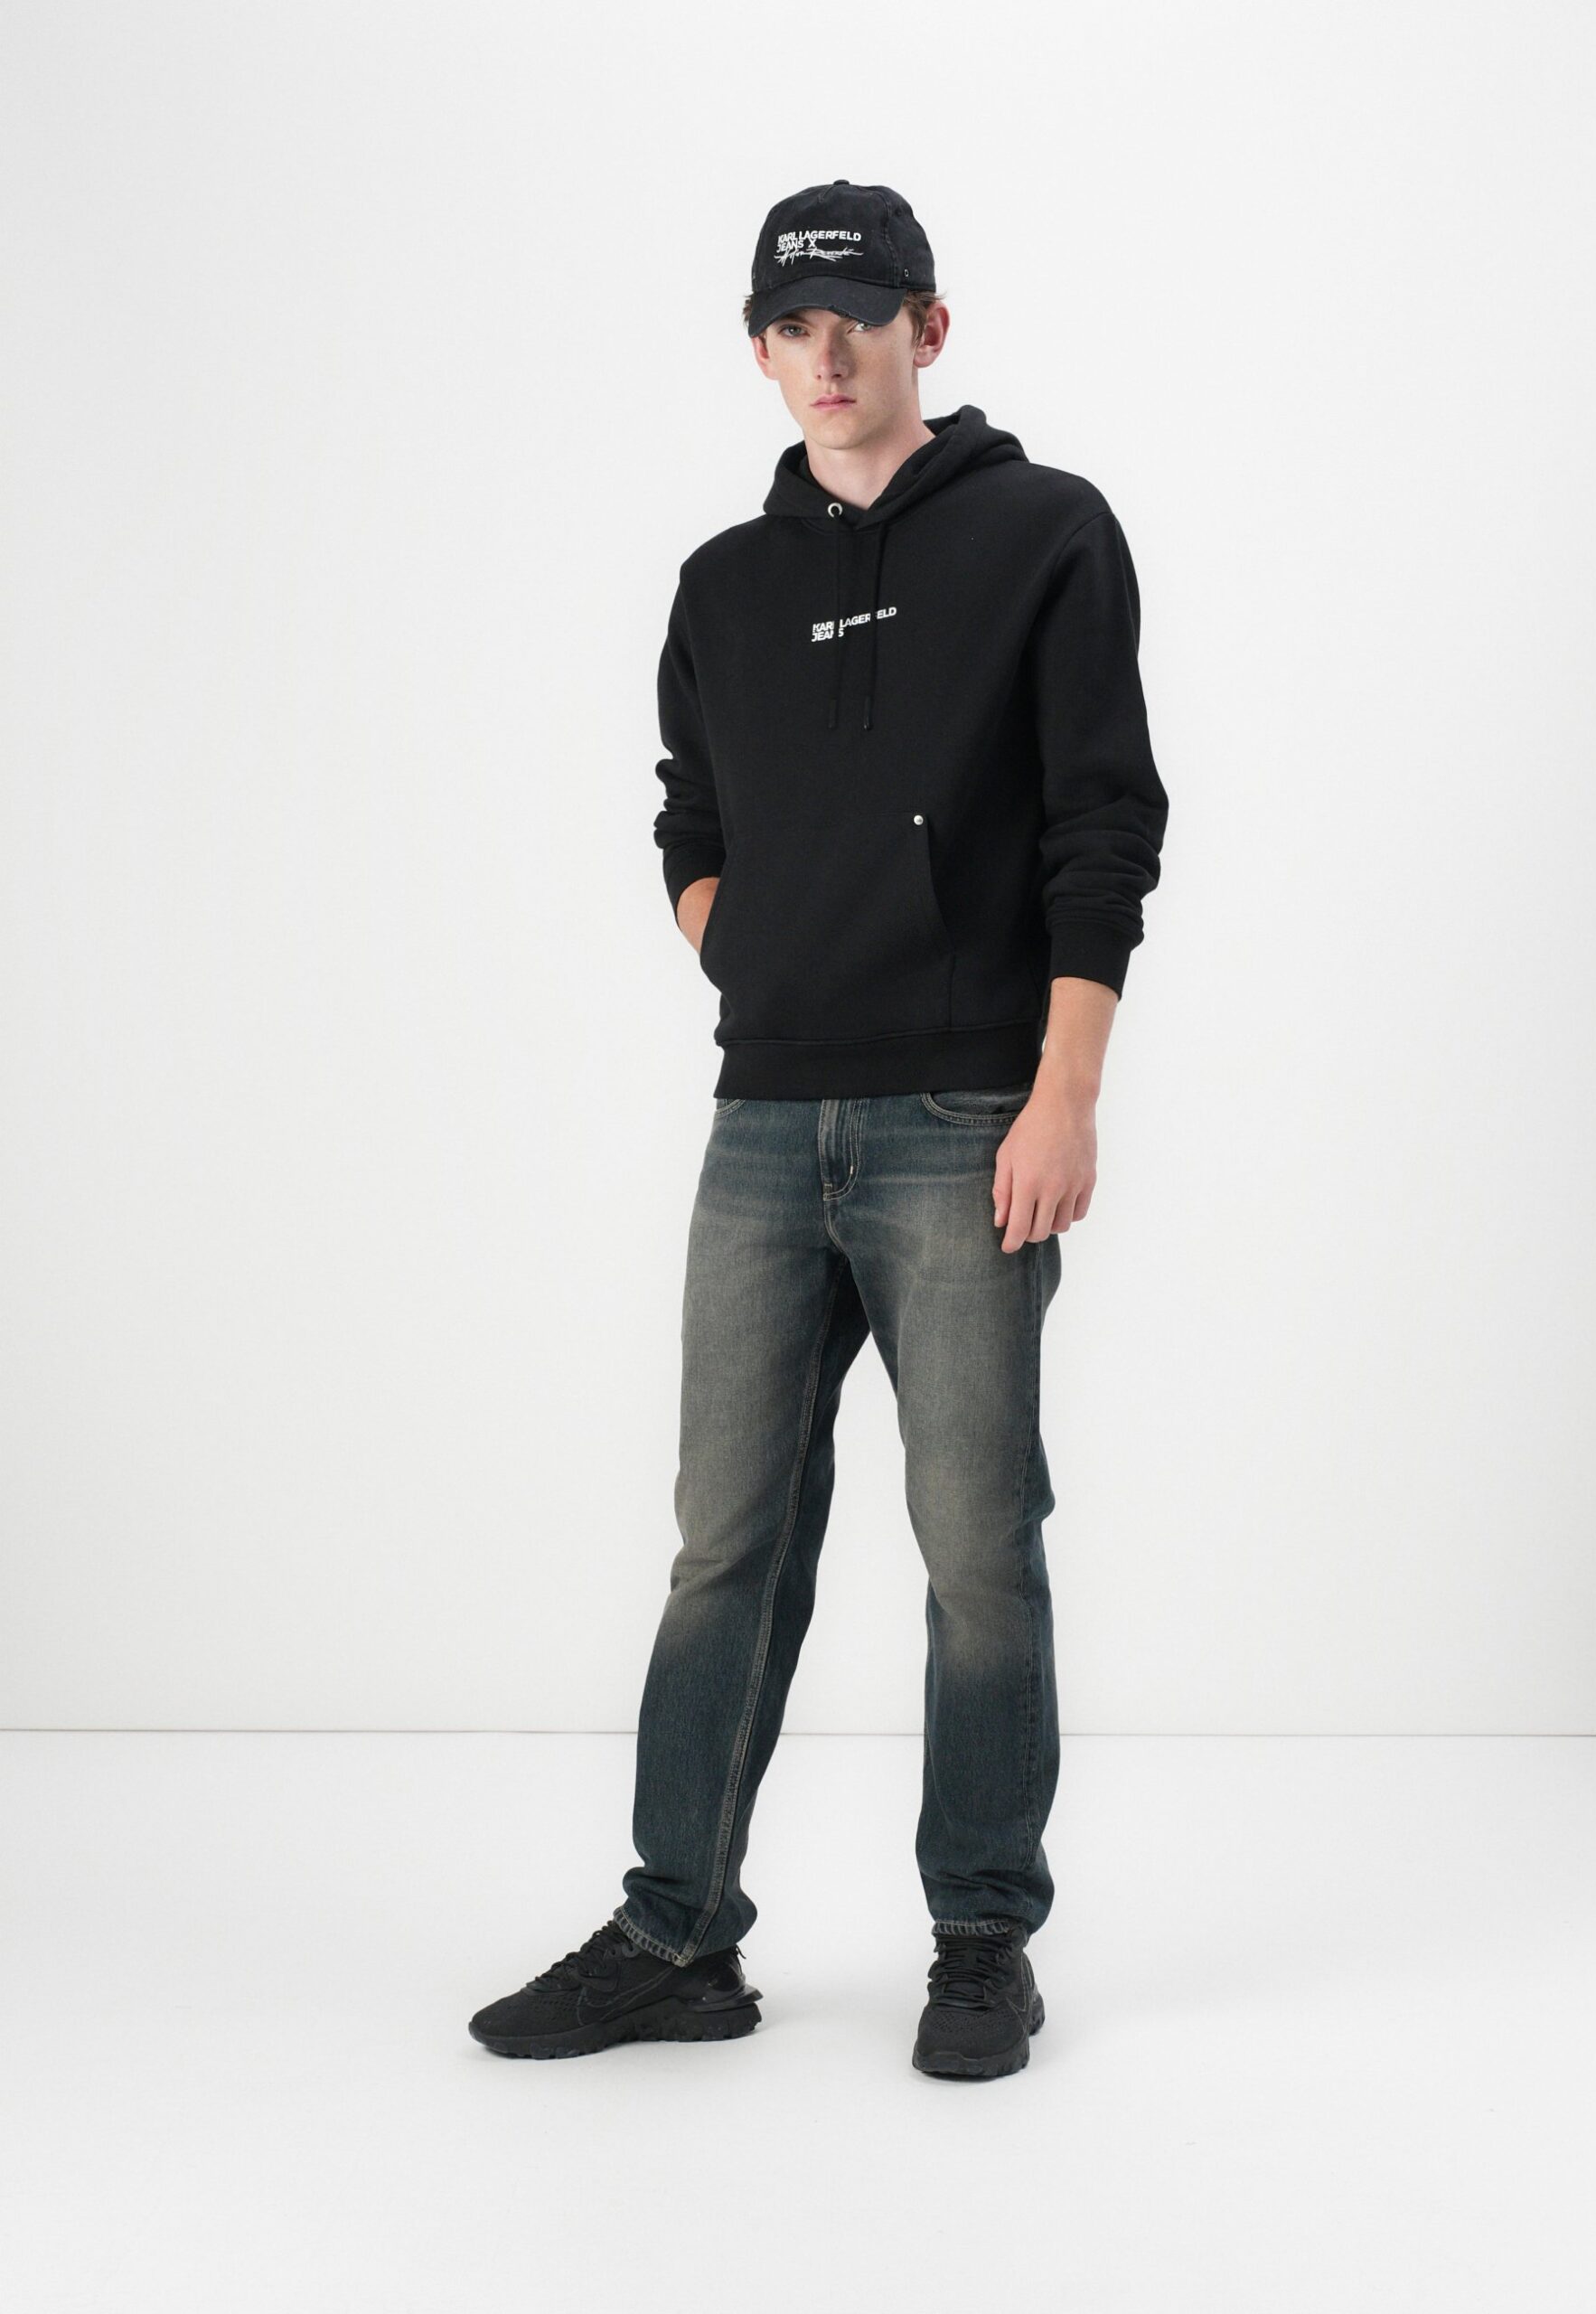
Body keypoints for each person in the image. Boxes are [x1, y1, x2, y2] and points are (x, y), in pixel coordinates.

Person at [469, 178, 1169, 2080]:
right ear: (763, 351)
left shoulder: (1043, 530)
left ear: (927, 328)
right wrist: (754, 957)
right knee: (726, 1544)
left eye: (860, 314)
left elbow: (1105, 821)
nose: (828, 351)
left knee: (975, 1545)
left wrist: (1063, 1090)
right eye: (792, 324)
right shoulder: (722, 581)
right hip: (765, 1124)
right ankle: (673, 1936)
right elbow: (688, 817)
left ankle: (980, 1938)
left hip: (966, 1115)